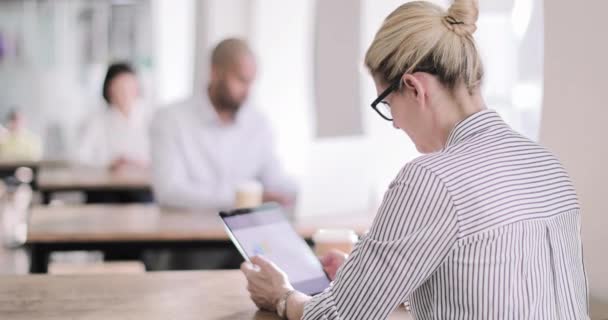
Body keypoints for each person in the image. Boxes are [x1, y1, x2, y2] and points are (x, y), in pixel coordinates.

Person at [241, 1, 589, 319]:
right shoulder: (546, 164)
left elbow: (335, 317)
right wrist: (376, 279)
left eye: (387, 105)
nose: (394, 123)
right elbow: (502, 287)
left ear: (414, 87)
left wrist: (283, 296)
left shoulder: (431, 179)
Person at [150, 38, 297, 210]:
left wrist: (306, 191)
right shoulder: (170, 119)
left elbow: (274, 180)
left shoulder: (258, 124)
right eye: (241, 80)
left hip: (245, 231)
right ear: (215, 72)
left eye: (251, 82)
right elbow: (170, 191)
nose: (247, 91)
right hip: (188, 232)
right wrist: (244, 199)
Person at [75, 62, 150, 172]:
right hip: (106, 186)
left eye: (130, 87)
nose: (126, 93)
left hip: (143, 184)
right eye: (120, 88)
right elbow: (79, 158)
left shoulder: (150, 119)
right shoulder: (97, 121)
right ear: (109, 90)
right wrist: (109, 163)